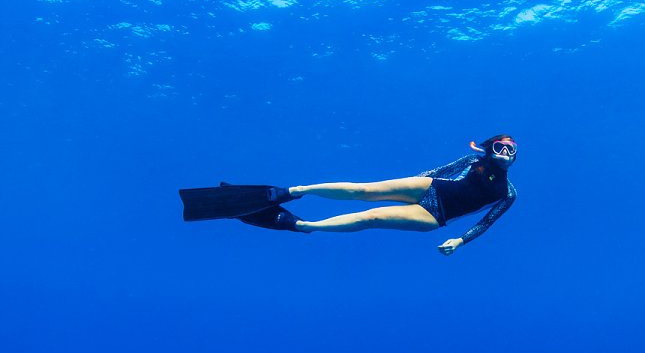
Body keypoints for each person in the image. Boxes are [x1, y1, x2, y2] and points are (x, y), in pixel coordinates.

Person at [179, 134, 518, 256]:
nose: (505, 153)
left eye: (511, 149)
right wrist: (407, 184)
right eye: (500, 147)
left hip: (435, 216)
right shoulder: (473, 160)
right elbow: (441, 170)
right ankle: (291, 191)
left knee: (370, 217)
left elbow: (486, 222)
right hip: (430, 187)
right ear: (490, 148)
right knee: (362, 190)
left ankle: (301, 225)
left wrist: (460, 240)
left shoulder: (508, 193)